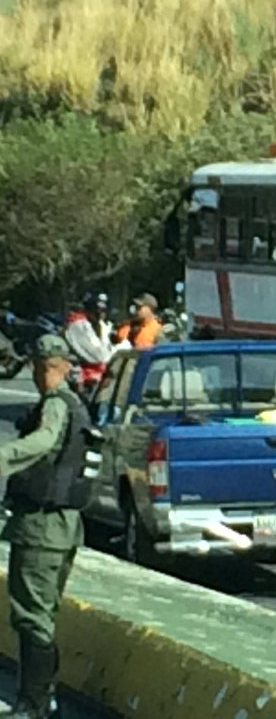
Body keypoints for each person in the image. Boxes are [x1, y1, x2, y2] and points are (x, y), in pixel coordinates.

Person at [2, 336, 93, 718]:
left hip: (41, 526)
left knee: (31, 616)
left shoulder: (56, 404)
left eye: (37, 368)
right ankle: (44, 699)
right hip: (64, 526)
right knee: (43, 613)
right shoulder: (76, 403)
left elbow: (44, 440)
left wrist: (4, 455)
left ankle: (32, 704)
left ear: (45, 366)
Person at [62, 293, 114, 394]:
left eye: (103, 310)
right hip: (82, 381)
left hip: (100, 379)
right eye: (96, 310)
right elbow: (98, 357)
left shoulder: (103, 326)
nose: (100, 314)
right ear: (88, 309)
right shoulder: (77, 326)